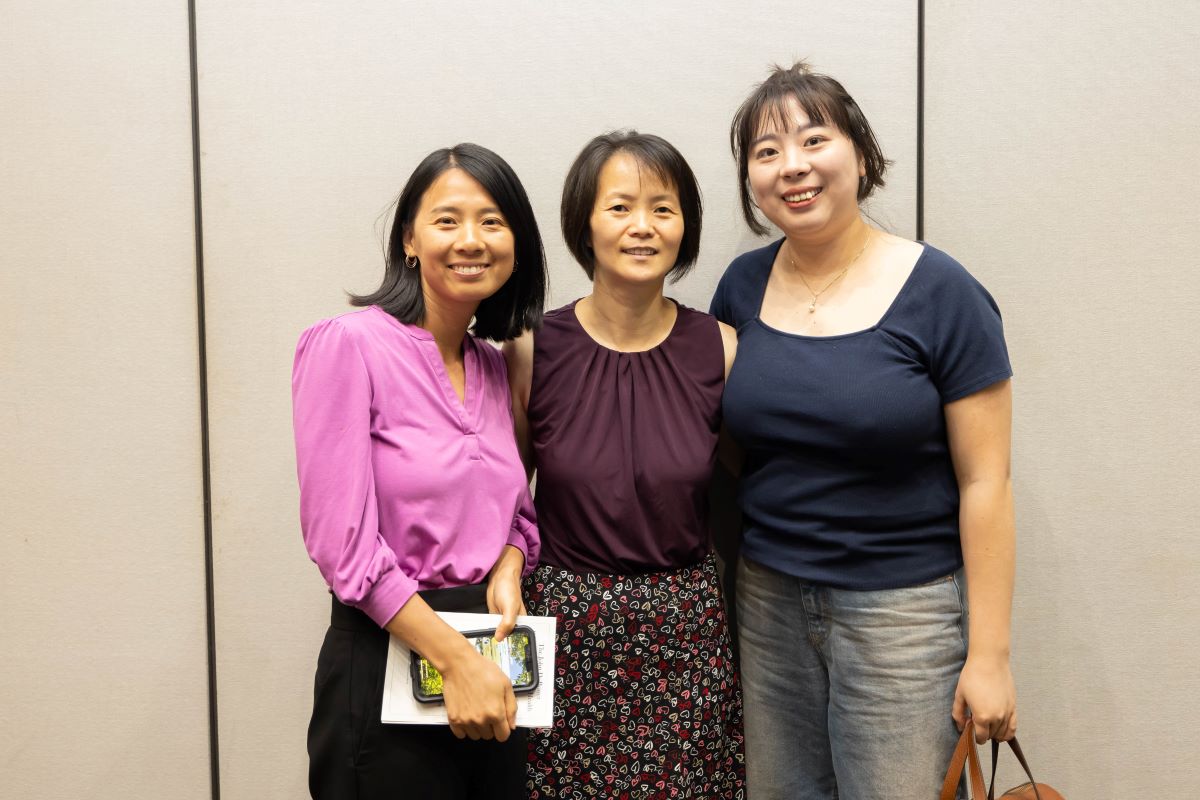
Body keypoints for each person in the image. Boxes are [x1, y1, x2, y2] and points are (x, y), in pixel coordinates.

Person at [709, 62, 1017, 800]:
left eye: (815, 139)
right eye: (767, 151)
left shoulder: (942, 292)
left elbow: (988, 481)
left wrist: (991, 655)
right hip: (769, 602)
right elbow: (723, 454)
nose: (794, 167)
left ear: (860, 153)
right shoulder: (740, 290)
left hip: (904, 615)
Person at [292, 143, 547, 800]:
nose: (471, 240)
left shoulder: (491, 364)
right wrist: (456, 660)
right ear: (409, 239)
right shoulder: (348, 346)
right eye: (447, 220)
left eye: (492, 221)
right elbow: (340, 546)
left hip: (488, 669)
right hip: (390, 658)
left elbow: (517, 515)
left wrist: (510, 570)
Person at [505, 130, 745, 799]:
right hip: (565, 629)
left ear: (686, 225)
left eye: (663, 209)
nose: (643, 226)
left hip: (684, 631)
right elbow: (503, 499)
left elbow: (748, 481)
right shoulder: (531, 348)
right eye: (620, 207)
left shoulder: (721, 348)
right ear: (586, 222)